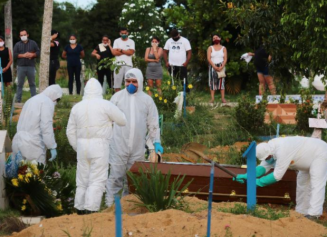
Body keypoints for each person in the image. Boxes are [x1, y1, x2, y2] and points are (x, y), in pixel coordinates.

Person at [66, 78, 126, 214]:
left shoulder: (77, 107)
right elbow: (122, 120)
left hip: (82, 146)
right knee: (97, 179)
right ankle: (91, 209)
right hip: (100, 145)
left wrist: (77, 146)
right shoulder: (105, 105)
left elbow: (70, 131)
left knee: (82, 179)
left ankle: (79, 208)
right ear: (100, 90)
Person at [105, 68, 163, 207]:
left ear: (140, 82)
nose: (131, 84)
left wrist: (156, 142)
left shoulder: (147, 101)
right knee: (115, 178)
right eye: (128, 81)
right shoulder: (117, 98)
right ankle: (109, 207)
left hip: (137, 148)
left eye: (134, 81)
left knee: (133, 179)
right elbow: (107, 121)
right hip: (118, 145)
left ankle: (129, 206)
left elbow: (153, 123)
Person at [233, 137, 327, 219]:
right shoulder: (268, 151)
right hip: (305, 159)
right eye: (265, 159)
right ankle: (302, 212)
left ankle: (314, 214)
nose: (267, 159)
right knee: (302, 183)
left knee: (316, 182)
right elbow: (262, 169)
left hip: (319, 152)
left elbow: (277, 176)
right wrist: (246, 176)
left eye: (268, 158)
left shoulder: (282, 150)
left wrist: (257, 182)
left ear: (270, 153)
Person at [12, 85, 63, 165]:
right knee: (35, 174)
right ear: (55, 96)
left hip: (18, 141)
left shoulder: (31, 100)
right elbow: (46, 127)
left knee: (20, 173)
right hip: (33, 146)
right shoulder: (47, 102)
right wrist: (52, 146)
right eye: (57, 100)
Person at [13, 29, 40, 103]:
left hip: (31, 66)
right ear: (19, 36)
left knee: (32, 83)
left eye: (24, 35)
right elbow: (14, 54)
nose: (23, 36)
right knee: (19, 84)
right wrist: (23, 55)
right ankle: (18, 100)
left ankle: (34, 99)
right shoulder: (17, 44)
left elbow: (38, 52)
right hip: (21, 66)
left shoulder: (33, 43)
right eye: (21, 35)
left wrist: (32, 54)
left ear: (27, 35)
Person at [112, 28, 135, 92]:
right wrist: (126, 51)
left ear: (127, 33)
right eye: (122, 33)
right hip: (118, 65)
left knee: (129, 84)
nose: (124, 34)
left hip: (128, 65)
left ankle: (128, 98)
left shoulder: (131, 41)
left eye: (125, 33)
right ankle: (117, 99)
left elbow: (131, 53)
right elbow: (114, 53)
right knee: (117, 85)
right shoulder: (116, 41)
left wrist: (121, 50)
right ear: (120, 33)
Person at [207, 34, 228, 104]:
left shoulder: (224, 48)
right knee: (212, 82)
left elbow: (225, 59)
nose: (215, 39)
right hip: (213, 66)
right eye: (213, 38)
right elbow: (208, 58)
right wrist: (214, 66)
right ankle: (212, 99)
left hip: (221, 66)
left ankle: (223, 98)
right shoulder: (210, 48)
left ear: (220, 38)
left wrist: (222, 66)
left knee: (222, 83)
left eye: (216, 37)